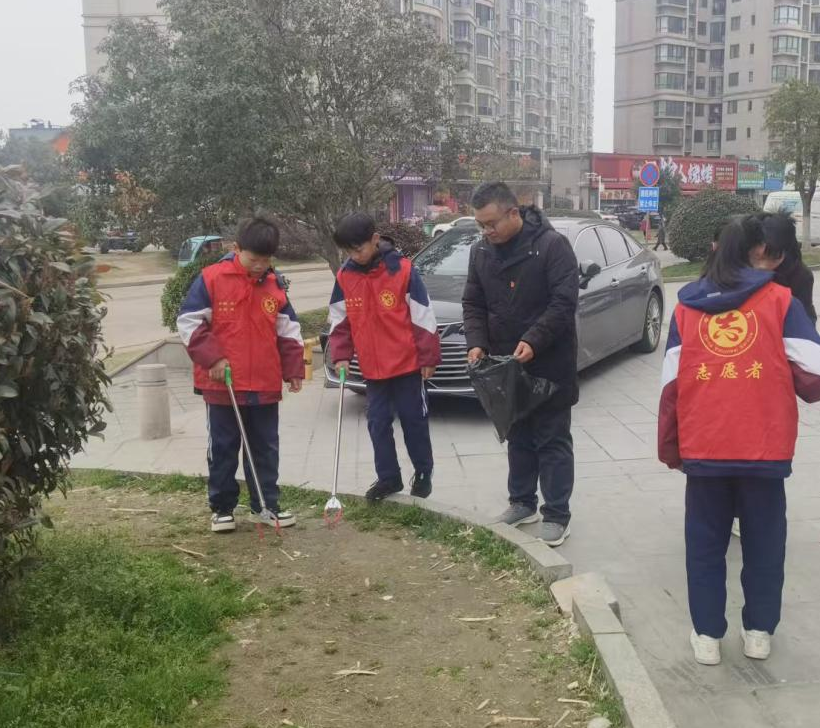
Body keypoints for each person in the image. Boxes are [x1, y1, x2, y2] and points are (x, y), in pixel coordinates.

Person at [658, 218, 820, 664]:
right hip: (764, 446)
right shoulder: (781, 301)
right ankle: (758, 631)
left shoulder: (685, 309)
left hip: (705, 447)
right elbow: (816, 370)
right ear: (755, 252)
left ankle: (707, 636)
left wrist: (671, 447)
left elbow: (671, 387)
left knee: (704, 545)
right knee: (764, 544)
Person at [463, 182, 580, 547]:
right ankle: (522, 503)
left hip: (549, 364)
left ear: (513, 213)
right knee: (518, 438)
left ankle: (557, 514)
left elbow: (563, 302)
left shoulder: (551, 246)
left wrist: (534, 339)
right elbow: (473, 303)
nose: (486, 231)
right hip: (506, 367)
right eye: (481, 225)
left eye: (491, 223)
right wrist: (477, 343)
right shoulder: (481, 251)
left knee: (552, 440)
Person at [177, 217, 305, 533]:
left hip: (264, 382)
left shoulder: (275, 285)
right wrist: (213, 358)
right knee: (223, 447)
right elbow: (189, 322)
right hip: (223, 383)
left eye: (266, 260)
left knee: (265, 447)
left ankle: (266, 504)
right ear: (236, 249)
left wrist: (293, 369)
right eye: (253, 259)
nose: (260, 266)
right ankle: (222, 508)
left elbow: (289, 330)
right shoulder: (211, 279)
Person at [327, 213, 442, 503]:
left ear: (375, 240)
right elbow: (340, 320)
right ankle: (389, 477)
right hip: (373, 369)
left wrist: (428, 357)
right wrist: (340, 355)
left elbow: (423, 315)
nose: (354, 256)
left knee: (414, 420)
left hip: (407, 365)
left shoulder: (402, 270)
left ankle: (423, 471)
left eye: (359, 249)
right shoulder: (345, 276)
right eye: (348, 251)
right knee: (377, 423)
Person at [747, 212, 817, 324]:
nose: (763, 266)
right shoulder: (738, 268)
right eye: (758, 257)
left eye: (773, 258)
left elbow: (804, 319)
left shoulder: (801, 276)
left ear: (786, 251)